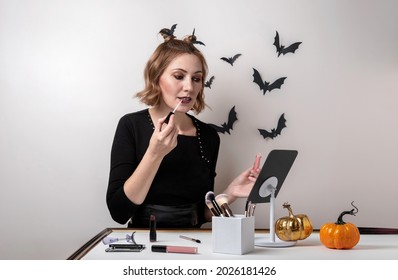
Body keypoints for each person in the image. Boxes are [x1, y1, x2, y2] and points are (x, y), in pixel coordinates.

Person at [106, 28, 260, 228]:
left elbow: (202, 214)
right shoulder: (131, 126)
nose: (190, 87)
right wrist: (154, 153)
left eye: (196, 79)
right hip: (147, 243)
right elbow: (119, 212)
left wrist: (229, 194)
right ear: (156, 78)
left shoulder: (208, 136)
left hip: (196, 244)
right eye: (179, 76)